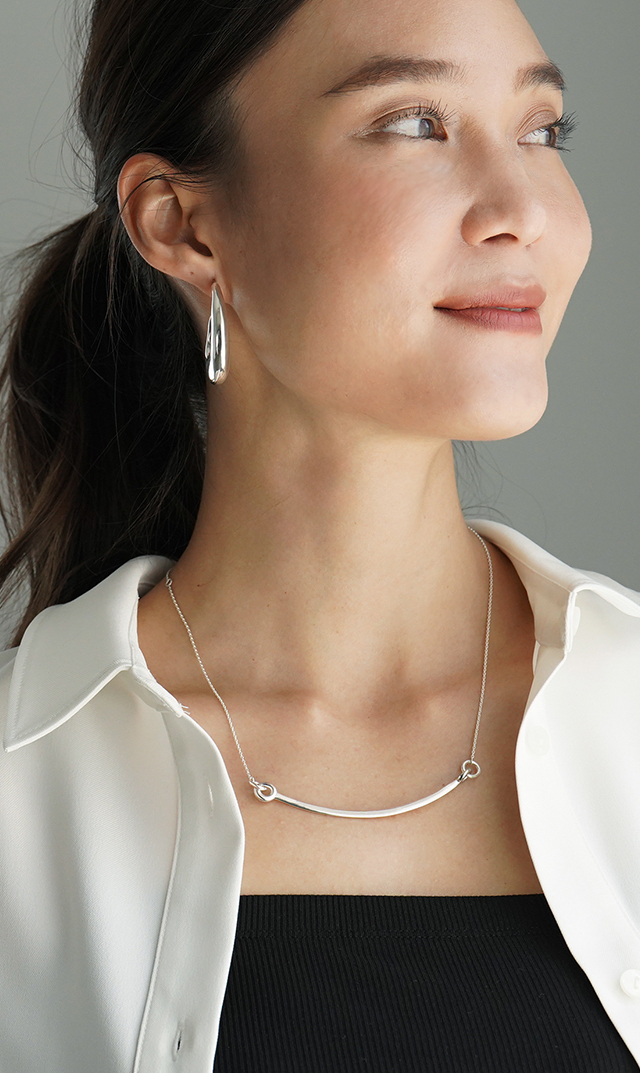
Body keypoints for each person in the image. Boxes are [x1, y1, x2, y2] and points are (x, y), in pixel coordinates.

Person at [1, 0, 640, 1069]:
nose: (522, 210)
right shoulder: (23, 789)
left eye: (541, 130)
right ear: (182, 224)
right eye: (414, 122)